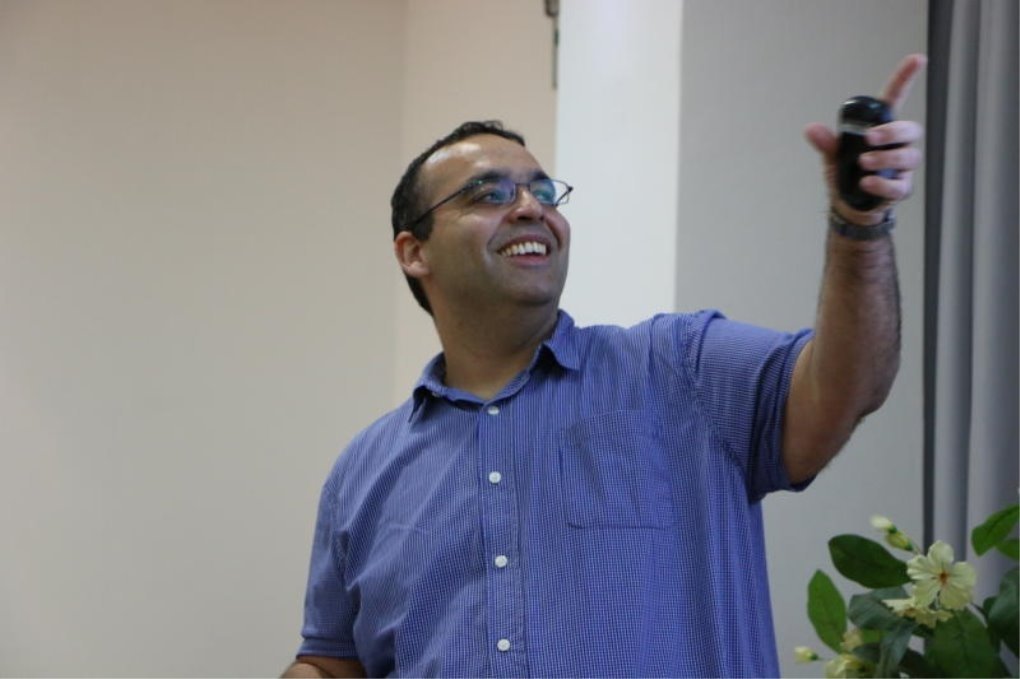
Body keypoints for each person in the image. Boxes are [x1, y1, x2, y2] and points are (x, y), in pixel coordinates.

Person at [283, 54, 926, 678]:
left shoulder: (682, 367)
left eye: (543, 192)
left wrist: (859, 226)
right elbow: (334, 662)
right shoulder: (362, 470)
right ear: (414, 251)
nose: (530, 207)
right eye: (489, 193)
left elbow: (847, 387)